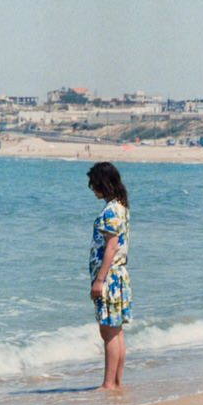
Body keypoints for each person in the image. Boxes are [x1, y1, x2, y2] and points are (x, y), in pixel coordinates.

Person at [87, 162, 131, 390]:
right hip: (118, 275)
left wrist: (99, 280)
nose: (91, 188)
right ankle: (116, 382)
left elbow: (111, 247)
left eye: (93, 183)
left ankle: (108, 384)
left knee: (109, 331)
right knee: (116, 330)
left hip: (110, 277)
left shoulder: (111, 210)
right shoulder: (120, 207)